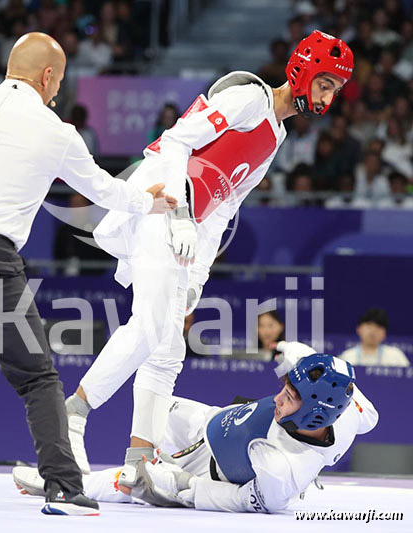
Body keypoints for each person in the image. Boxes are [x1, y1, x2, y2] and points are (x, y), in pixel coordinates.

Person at [63, 31, 355, 491]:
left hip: (186, 229)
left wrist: (198, 271)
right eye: (324, 83)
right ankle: (70, 419)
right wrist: (179, 213)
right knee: (150, 327)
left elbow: (224, 205)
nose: (328, 96)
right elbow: (176, 141)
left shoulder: (275, 137)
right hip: (157, 203)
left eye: (335, 90)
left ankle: (139, 461)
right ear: (301, 70)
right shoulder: (248, 98)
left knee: (169, 349)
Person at [0, 32, 174, 516]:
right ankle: (64, 488)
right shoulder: (56, 130)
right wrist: (147, 202)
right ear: (48, 76)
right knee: (38, 381)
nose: (57, 91)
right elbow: (101, 189)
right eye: (59, 82)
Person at [13, 341, 379, 514]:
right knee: (159, 409)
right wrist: (304, 353)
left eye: (291, 397)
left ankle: (59, 483)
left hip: (209, 473)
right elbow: (362, 405)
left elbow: (244, 501)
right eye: (285, 388)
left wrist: (188, 489)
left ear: (315, 414)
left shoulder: (283, 472)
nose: (280, 398)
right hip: (212, 421)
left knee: (134, 482)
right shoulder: (348, 411)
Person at [339, 308, 410, 367]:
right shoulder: (346, 357)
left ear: (384, 334)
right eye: (369, 325)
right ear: (358, 329)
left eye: (378, 327)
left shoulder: (396, 356)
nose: (373, 331)